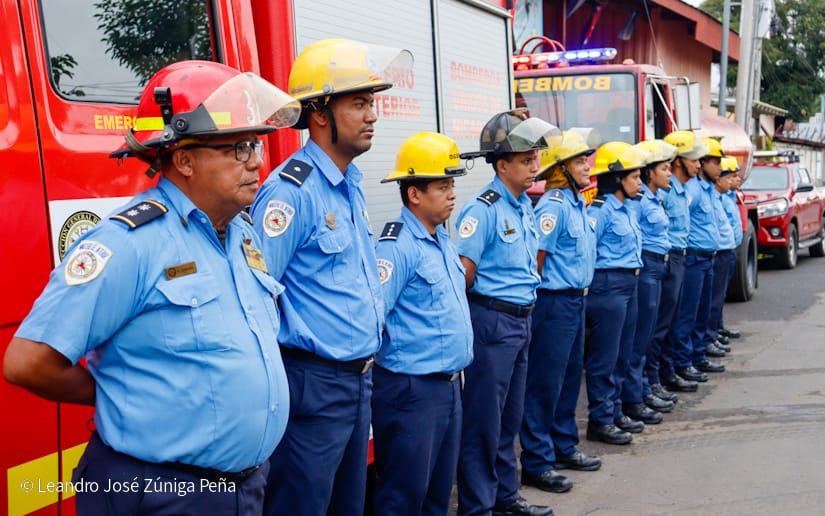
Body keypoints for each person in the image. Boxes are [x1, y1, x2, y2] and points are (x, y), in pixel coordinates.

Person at [2, 60, 299, 514]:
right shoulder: (130, 244)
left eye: (256, 144)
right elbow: (27, 361)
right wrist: (114, 392)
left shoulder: (241, 234)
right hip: (161, 494)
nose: (257, 161)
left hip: (240, 489)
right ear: (184, 160)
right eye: (238, 148)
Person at [249, 39, 412, 516]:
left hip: (358, 383)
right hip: (312, 387)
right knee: (302, 505)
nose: (372, 115)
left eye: (373, 103)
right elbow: (258, 300)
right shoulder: (290, 194)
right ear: (319, 114)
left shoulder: (348, 185)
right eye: (360, 103)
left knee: (347, 506)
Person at [455, 109, 556, 516]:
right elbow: (463, 273)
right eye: (526, 159)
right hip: (492, 323)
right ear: (502, 165)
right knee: (483, 422)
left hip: (520, 320)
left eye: (536, 158)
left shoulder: (521, 206)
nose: (535, 165)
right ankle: (477, 506)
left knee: (508, 420)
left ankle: (505, 498)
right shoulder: (483, 210)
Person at [371, 132, 474, 516]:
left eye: (452, 185)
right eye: (442, 186)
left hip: (447, 388)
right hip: (411, 392)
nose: (451, 193)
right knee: (403, 496)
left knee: (435, 496)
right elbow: (374, 317)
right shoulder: (396, 247)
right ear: (414, 194)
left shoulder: (441, 240)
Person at [519, 129, 600, 495]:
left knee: (568, 379)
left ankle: (563, 445)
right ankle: (536, 462)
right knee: (545, 383)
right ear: (560, 169)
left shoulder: (575, 202)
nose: (587, 166)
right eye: (580, 160)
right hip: (554, 304)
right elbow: (537, 261)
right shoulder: (552, 206)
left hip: (575, 300)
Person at [584, 141, 645, 445]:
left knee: (623, 352)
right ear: (618, 179)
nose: (639, 182)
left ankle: (616, 409)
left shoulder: (629, 207)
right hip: (608, 287)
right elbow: (588, 250)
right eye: (634, 177)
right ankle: (600, 419)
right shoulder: (601, 209)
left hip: (629, 285)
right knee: (604, 357)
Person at [621, 139, 679, 425]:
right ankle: (635, 395)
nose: (669, 173)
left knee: (650, 333)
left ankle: (644, 388)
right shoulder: (639, 202)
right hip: (645, 267)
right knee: (640, 337)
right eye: (664, 168)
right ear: (649, 173)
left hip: (658, 265)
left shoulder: (655, 198)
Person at [650, 130, 708, 394]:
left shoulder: (681, 188)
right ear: (677, 161)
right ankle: (657, 378)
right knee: (662, 323)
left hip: (681, 256)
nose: (698, 164)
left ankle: (669, 369)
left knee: (677, 319)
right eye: (692, 159)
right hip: (668, 258)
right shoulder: (665, 190)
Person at [671, 137, 726, 385]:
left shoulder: (704, 189)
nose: (720, 168)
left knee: (701, 312)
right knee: (687, 314)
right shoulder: (691, 190)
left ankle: (696, 355)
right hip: (692, 258)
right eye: (714, 162)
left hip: (706, 259)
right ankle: (683, 361)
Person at [699, 156, 739, 359]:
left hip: (724, 250)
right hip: (713, 253)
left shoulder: (724, 196)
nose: (735, 181)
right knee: (710, 301)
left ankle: (713, 333)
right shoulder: (705, 195)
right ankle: (708, 338)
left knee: (716, 297)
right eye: (730, 177)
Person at [718, 158, 744, 342]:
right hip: (720, 251)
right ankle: (714, 331)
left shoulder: (730, 196)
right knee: (714, 296)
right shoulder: (719, 197)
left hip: (730, 249)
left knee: (720, 295)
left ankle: (718, 327)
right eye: (733, 176)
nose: (737, 180)